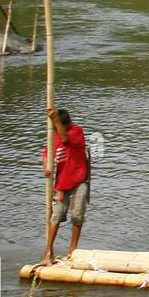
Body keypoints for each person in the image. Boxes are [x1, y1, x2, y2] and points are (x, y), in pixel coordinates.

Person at [39, 106, 90, 266]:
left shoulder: (76, 131)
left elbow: (66, 140)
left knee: (77, 215)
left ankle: (72, 250)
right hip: (61, 183)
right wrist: (46, 167)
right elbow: (46, 153)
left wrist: (55, 119)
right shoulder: (53, 135)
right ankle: (48, 252)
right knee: (56, 215)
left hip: (79, 180)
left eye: (57, 125)